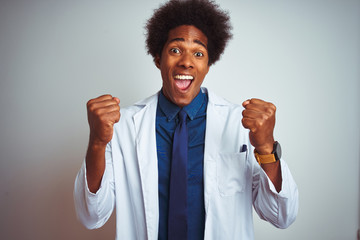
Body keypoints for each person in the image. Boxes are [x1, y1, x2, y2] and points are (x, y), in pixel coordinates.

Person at [74, 0, 299, 239]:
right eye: (175, 50)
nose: (186, 61)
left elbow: (281, 216)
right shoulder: (123, 126)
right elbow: (91, 216)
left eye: (198, 53)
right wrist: (97, 142)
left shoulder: (240, 124)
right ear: (158, 59)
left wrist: (265, 147)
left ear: (208, 65)